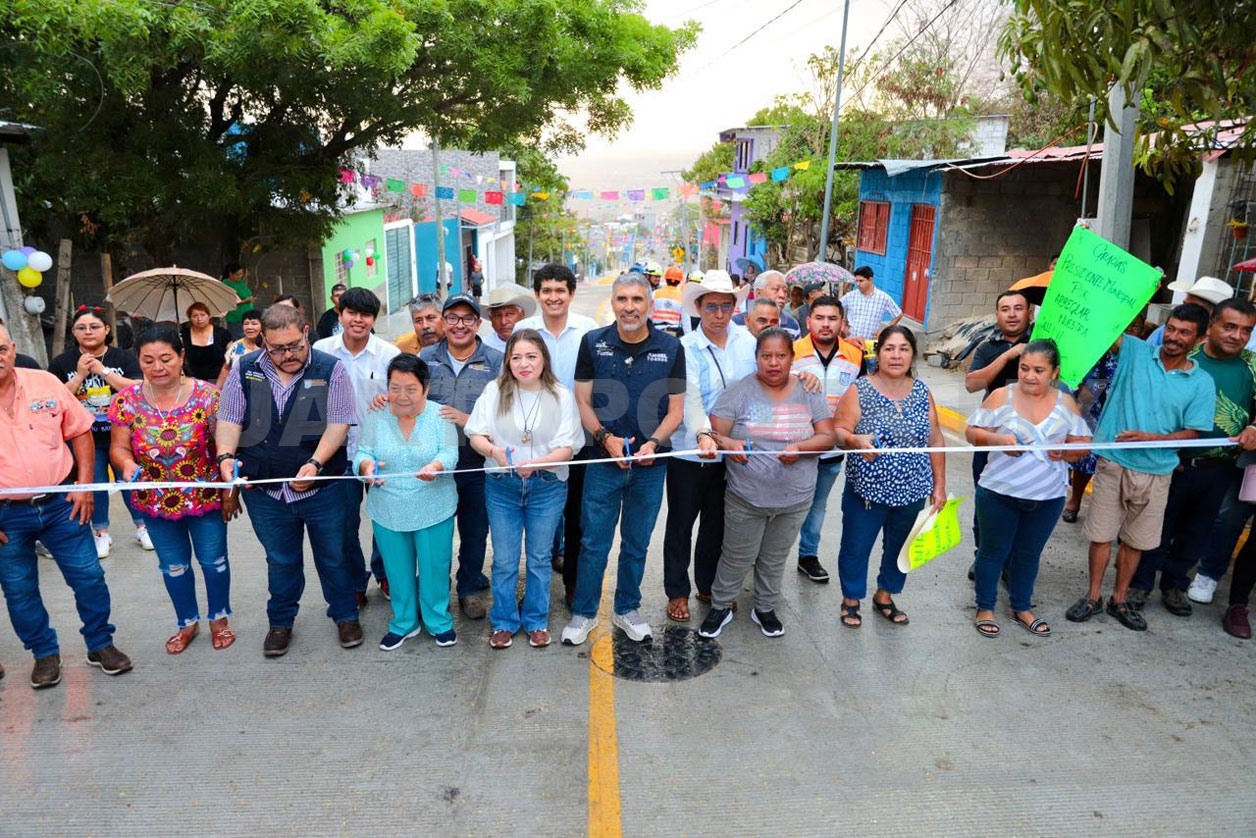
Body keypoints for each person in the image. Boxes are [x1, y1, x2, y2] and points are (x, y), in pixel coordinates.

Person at [215, 303, 363, 657]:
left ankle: (345, 616)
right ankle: (280, 622)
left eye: (295, 346)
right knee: (280, 560)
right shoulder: (245, 369)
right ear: (263, 341)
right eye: (278, 348)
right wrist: (225, 458)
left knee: (334, 556)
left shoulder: (331, 369)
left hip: (323, 488)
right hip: (265, 491)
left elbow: (339, 423)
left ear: (306, 332)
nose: (288, 355)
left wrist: (315, 463)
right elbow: (230, 418)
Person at [1065, 304, 1216, 632]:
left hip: (1158, 472)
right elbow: (1102, 324)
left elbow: (1194, 431)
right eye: (1171, 328)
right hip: (1114, 463)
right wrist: (1136, 290)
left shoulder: (1202, 382)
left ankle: (1119, 599)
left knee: (1135, 541)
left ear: (1200, 339)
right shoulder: (1135, 351)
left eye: (1184, 333)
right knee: (1100, 536)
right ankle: (1093, 596)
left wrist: (1152, 438)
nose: (1174, 337)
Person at [0, 322, 133, 688]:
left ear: (12, 349)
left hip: (62, 505)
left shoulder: (44, 382)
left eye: (1, 349)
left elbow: (79, 430)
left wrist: (85, 485)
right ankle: (44, 653)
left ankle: (100, 644)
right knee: (19, 590)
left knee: (89, 577)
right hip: (6, 517)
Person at [561, 273, 685, 646]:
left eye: (637, 299)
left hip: (651, 467)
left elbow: (676, 410)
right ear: (613, 303)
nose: (629, 307)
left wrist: (654, 444)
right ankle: (584, 613)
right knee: (593, 543)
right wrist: (605, 439)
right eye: (622, 299)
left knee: (636, 543)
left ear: (650, 305)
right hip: (602, 463)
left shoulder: (671, 348)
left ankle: (627, 609)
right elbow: (582, 401)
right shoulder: (593, 343)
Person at [697, 328, 837, 639]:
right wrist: (728, 444)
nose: (773, 362)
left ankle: (765, 608)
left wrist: (800, 448)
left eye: (781, 356)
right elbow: (714, 434)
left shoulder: (809, 391)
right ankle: (720, 606)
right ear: (757, 358)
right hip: (747, 497)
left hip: (795, 498)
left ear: (792, 358)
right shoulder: (739, 392)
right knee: (737, 556)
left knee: (774, 558)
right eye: (766, 356)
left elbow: (828, 437)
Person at [108, 325, 237, 654]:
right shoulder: (126, 401)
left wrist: (229, 491)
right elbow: (118, 448)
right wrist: (126, 465)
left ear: (181, 356)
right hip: (153, 501)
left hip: (205, 499)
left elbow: (225, 446)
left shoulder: (208, 396)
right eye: (148, 360)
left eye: (165, 358)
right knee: (173, 566)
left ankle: (219, 619)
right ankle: (187, 623)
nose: (157, 367)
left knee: (213, 561)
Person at [1127, 299, 1256, 616]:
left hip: (1221, 467)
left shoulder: (1252, 366)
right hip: (1173, 461)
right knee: (1156, 526)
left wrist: (1254, 426)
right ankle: (1140, 585)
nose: (1237, 336)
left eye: (1246, 330)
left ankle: (1174, 585)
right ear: (1211, 326)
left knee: (1197, 531)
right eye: (1230, 326)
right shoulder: (1186, 358)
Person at [965, 339, 1090, 637]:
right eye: (1024, 368)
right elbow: (971, 432)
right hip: (998, 493)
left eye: (1038, 370)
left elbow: (1083, 444)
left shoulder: (1066, 403)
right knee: (992, 552)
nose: (1029, 376)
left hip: (1047, 497)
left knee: (1029, 554)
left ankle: (1021, 606)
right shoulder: (1001, 396)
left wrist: (1066, 451)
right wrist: (997, 440)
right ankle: (985, 607)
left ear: (1054, 372)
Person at [467, 330, 581, 648]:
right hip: (502, 485)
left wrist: (537, 463)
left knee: (539, 557)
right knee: (504, 559)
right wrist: (493, 451)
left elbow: (568, 448)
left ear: (544, 358)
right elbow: (475, 434)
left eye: (531, 356)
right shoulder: (494, 391)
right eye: (516, 357)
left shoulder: (561, 395)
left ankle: (536, 620)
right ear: (508, 361)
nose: (523, 363)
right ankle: (503, 621)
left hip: (547, 486)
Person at [834, 326, 946, 628]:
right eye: (889, 348)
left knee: (901, 548)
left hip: (913, 491)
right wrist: (854, 440)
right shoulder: (860, 389)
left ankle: (885, 595)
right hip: (867, 492)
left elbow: (935, 438)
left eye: (903, 349)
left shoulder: (922, 392)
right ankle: (851, 599)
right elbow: (839, 431)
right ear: (878, 353)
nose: (896, 355)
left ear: (912, 354)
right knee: (856, 547)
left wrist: (939, 485)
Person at [662, 271, 754, 621]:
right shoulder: (684, 348)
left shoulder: (748, 342)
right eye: (711, 306)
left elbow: (762, 382)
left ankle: (708, 585)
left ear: (734, 308)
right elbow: (690, 397)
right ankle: (676, 592)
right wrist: (703, 433)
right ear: (698, 307)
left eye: (726, 306)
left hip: (731, 454)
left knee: (717, 525)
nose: (719, 314)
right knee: (681, 525)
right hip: (690, 451)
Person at [356, 354, 460, 649]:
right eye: (395, 388)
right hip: (388, 508)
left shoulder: (440, 416)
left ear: (426, 389)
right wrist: (366, 467)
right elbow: (363, 452)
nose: (402, 396)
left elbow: (450, 453)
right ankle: (404, 622)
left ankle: (438, 620)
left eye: (410, 389)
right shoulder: (377, 415)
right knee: (397, 570)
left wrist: (436, 467)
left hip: (433, 505)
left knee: (434, 568)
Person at [313, 288, 400, 603]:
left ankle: (385, 574)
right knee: (344, 523)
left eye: (366, 315)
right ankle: (354, 582)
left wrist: (391, 399)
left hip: (379, 452)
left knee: (385, 520)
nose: (358, 320)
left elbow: (405, 397)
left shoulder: (388, 354)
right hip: (336, 454)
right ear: (340, 314)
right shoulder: (321, 351)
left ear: (374, 319)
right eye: (352, 312)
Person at [513, 264, 598, 585]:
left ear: (571, 294)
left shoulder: (588, 330)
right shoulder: (525, 329)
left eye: (560, 290)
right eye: (546, 291)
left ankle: (573, 582)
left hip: (579, 436)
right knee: (539, 517)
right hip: (535, 438)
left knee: (576, 514)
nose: (553, 297)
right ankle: (538, 585)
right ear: (537, 295)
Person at [420, 294, 503, 619]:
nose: (459, 325)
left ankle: (468, 587)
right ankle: (436, 589)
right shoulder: (426, 358)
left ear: (478, 323)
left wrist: (467, 420)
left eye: (468, 318)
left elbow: (505, 415)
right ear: (443, 322)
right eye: (452, 317)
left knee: (474, 530)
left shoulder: (496, 361)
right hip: (436, 463)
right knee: (434, 532)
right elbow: (411, 402)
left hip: (477, 462)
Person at [47, 304, 148, 558]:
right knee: (96, 483)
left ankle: (143, 526)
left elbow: (137, 389)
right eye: (81, 327)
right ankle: (101, 532)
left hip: (123, 435)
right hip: (85, 437)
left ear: (107, 329)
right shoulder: (61, 362)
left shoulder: (123, 358)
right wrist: (79, 376)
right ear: (73, 332)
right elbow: (53, 401)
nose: (88, 332)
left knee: (130, 479)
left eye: (94, 326)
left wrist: (102, 371)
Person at [792, 296, 865, 584]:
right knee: (781, 506)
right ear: (808, 321)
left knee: (817, 505)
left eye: (832, 318)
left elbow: (861, 399)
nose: (826, 324)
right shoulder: (790, 351)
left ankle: (808, 556)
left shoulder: (855, 355)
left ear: (842, 323)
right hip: (795, 448)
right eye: (819, 318)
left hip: (833, 448)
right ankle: (762, 556)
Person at [963, 290, 1030, 573]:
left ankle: (1013, 563)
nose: (1012, 314)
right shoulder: (987, 347)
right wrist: (1008, 355)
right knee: (986, 501)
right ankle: (983, 556)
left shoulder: (1044, 343)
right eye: (1005, 309)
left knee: (1025, 504)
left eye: (1018, 308)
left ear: (1029, 313)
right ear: (997, 314)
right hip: (990, 435)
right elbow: (972, 384)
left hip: (1032, 437)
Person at [1146, 276, 1233, 347]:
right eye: (1184, 304)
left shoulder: (1226, 345)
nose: (1174, 337)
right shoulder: (1165, 331)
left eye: (1191, 307)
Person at [841, 266, 903, 345]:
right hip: (852, 341)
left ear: (870, 280)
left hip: (870, 343)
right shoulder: (850, 296)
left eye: (861, 281)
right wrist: (843, 325)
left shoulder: (883, 297)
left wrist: (884, 331)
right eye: (856, 281)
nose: (858, 284)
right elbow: (836, 307)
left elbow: (898, 314)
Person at [732, 270, 800, 338]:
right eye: (775, 289)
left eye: (785, 291)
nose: (782, 295)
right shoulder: (735, 324)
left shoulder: (792, 325)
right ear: (758, 293)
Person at [179, 302, 233, 383]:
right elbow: (179, 358)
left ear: (209, 316)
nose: (199, 319)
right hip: (193, 380)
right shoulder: (184, 335)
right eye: (195, 316)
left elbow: (232, 357)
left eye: (203, 315)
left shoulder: (222, 333)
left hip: (219, 379)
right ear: (190, 318)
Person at [482, 284, 537, 353]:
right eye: (497, 315)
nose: (503, 322)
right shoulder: (482, 347)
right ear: (491, 318)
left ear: (521, 315)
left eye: (510, 314)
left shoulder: (535, 343)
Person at [216, 308, 263, 389]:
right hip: (237, 391)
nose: (249, 327)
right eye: (246, 324)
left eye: (254, 323)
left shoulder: (269, 346)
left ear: (262, 326)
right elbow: (226, 368)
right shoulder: (238, 346)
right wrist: (217, 390)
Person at [220, 263, 255, 340]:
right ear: (230, 274)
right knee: (238, 339)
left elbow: (246, 293)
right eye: (237, 274)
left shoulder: (240, 282)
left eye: (241, 274)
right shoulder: (226, 284)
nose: (240, 276)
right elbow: (230, 301)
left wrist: (251, 298)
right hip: (236, 317)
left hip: (247, 315)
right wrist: (245, 301)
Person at [650, 266, 686, 337]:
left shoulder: (655, 294)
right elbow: (686, 321)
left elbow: (649, 314)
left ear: (666, 279)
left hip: (656, 330)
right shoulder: (682, 296)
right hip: (674, 332)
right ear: (679, 281)